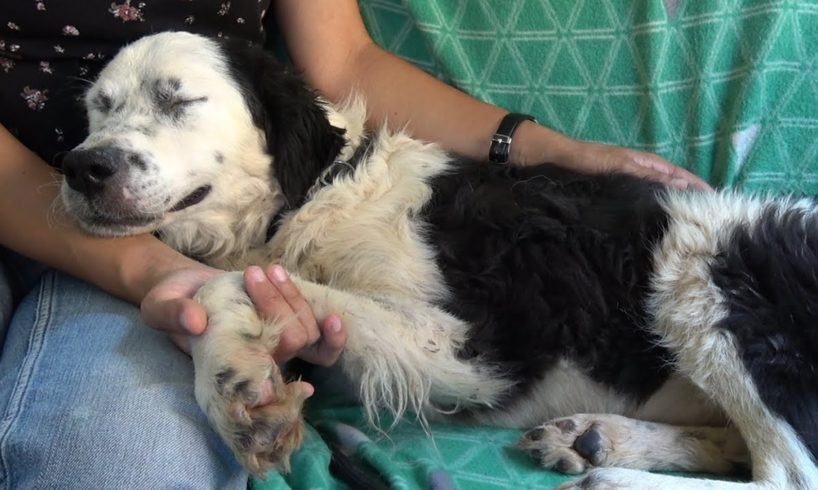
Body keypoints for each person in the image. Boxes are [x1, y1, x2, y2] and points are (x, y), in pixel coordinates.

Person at [0, 1, 708, 488]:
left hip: (148, 255)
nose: (99, 145)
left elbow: (345, 63)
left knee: (110, 466)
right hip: (79, 222)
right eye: (103, 110)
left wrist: (547, 148)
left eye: (179, 102)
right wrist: (173, 273)